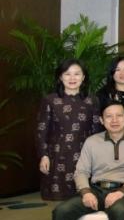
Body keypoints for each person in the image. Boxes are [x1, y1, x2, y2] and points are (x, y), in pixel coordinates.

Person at [36, 59, 101, 200]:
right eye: (67, 74)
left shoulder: (92, 100)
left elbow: (96, 131)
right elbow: (42, 131)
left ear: (83, 77)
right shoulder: (50, 100)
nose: (72, 78)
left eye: (77, 74)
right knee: (59, 201)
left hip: (84, 156)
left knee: (84, 198)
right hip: (57, 156)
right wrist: (43, 156)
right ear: (60, 77)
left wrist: (97, 156)